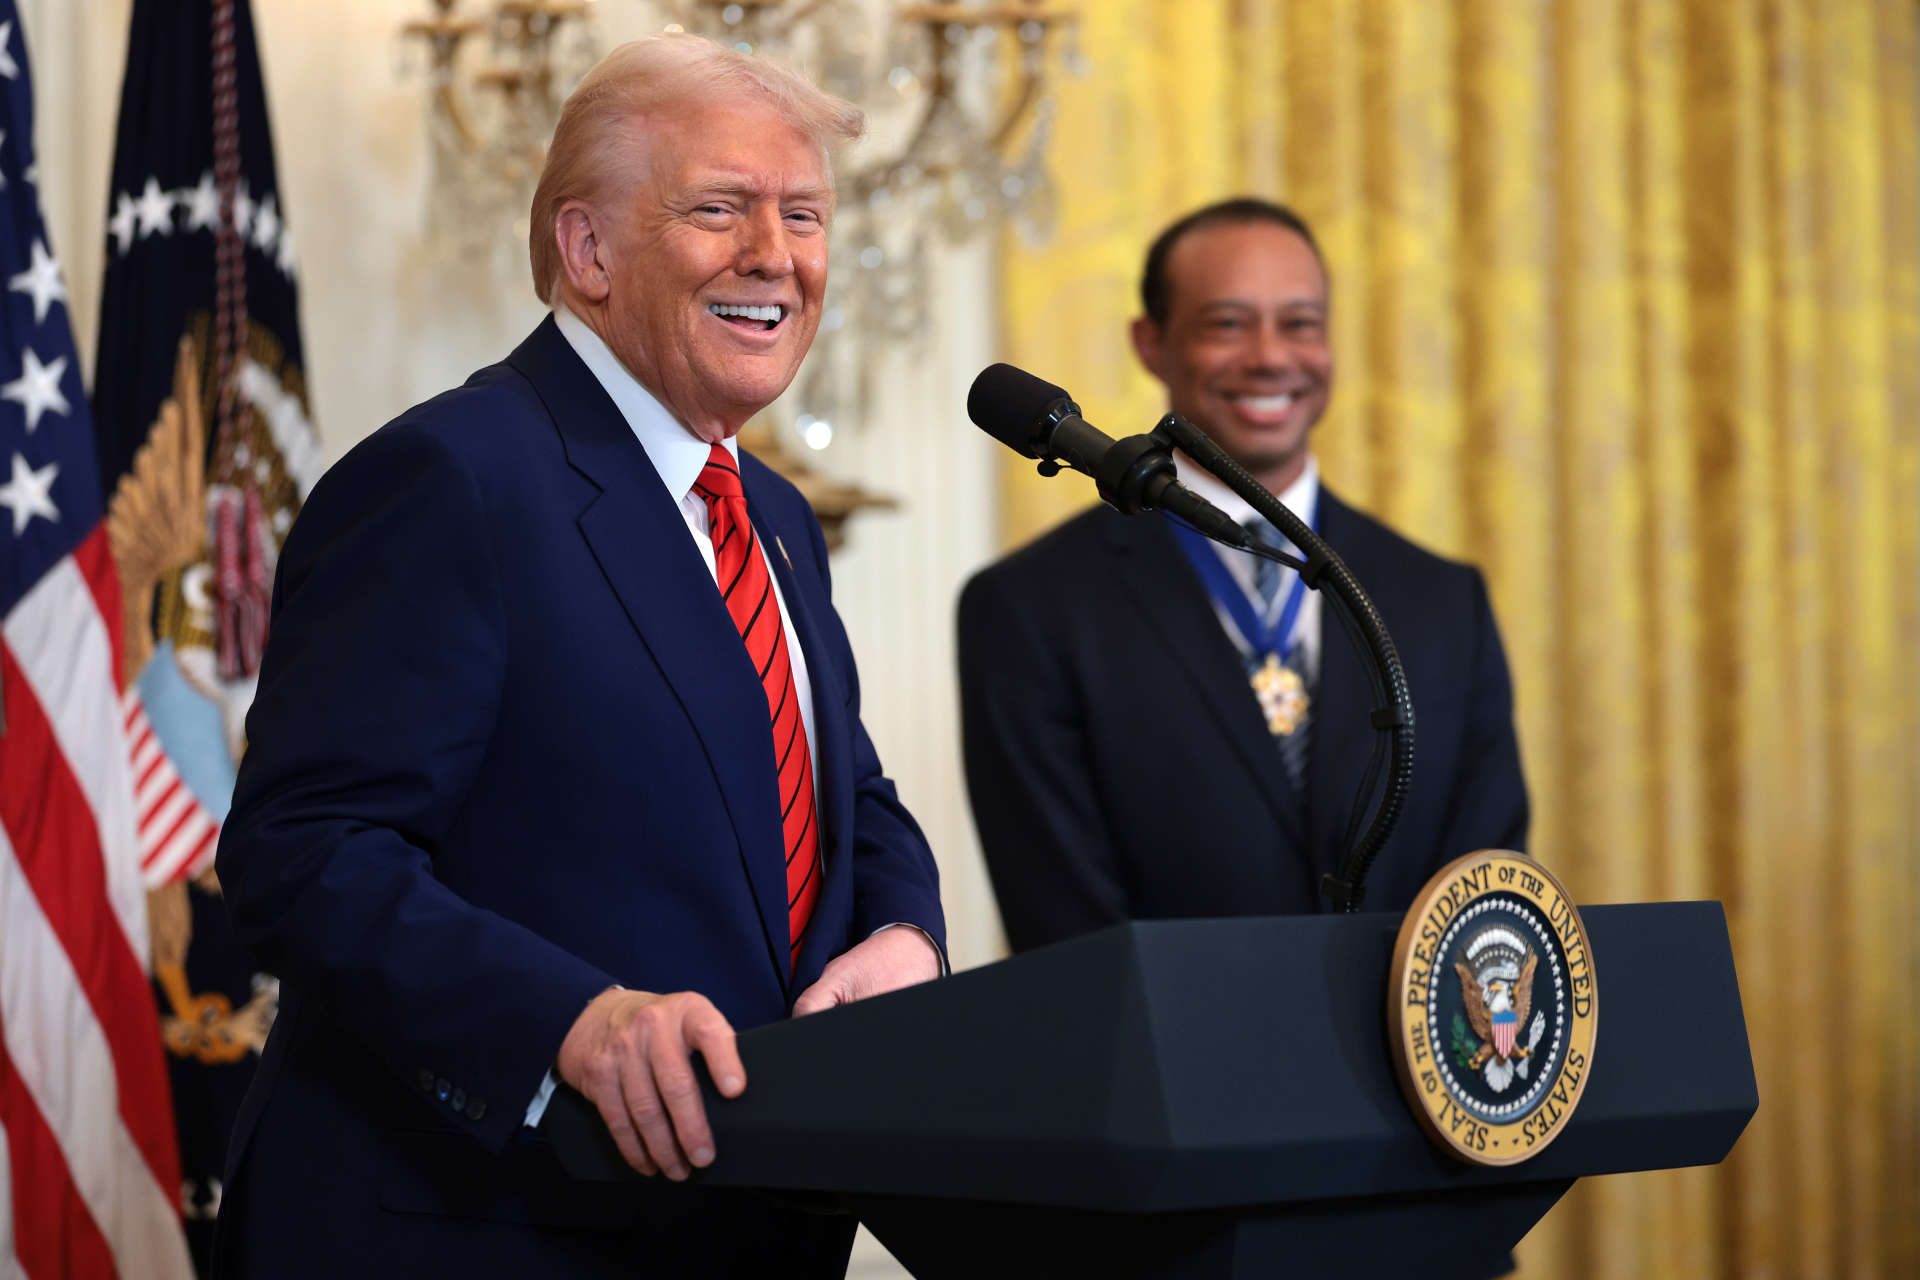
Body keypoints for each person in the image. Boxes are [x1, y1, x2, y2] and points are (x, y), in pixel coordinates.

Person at [212, 36, 945, 1278]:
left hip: (738, 1228)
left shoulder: (769, 514)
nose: (775, 254)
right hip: (479, 1231)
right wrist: (571, 1019)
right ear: (588, 251)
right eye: (719, 208)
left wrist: (907, 933)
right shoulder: (453, 478)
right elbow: (303, 853)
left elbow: (843, 797)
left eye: (804, 214)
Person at [959, 198, 1527, 952]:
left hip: (1405, 1029)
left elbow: (1484, 893)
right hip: (1165, 1030)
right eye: (1227, 324)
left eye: (1301, 323)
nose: (1270, 356)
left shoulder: (1444, 601)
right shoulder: (1029, 609)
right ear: (1151, 344)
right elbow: (1065, 929)